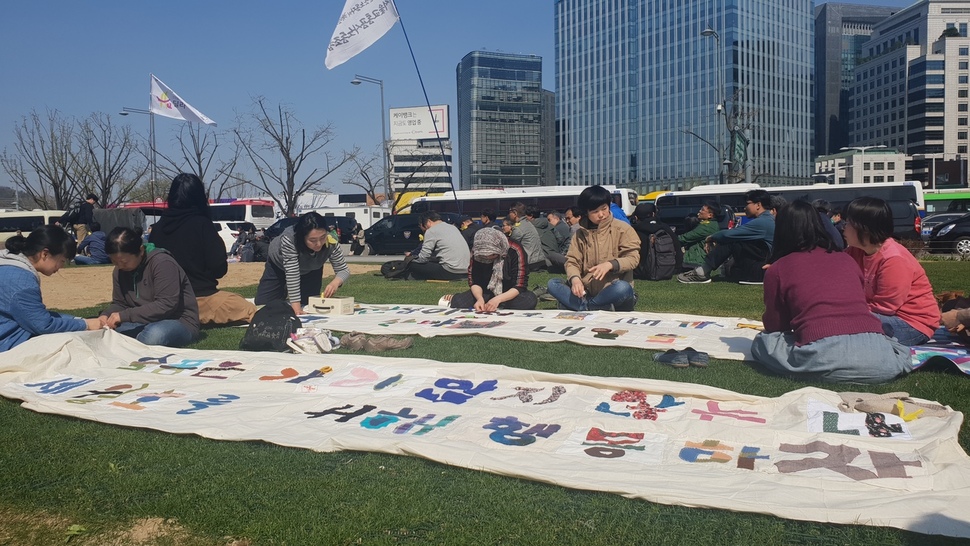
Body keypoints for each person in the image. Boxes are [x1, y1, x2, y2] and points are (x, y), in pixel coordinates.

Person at [750, 200, 911, 383]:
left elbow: (776, 326)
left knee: (764, 342)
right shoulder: (847, 259)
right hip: (880, 356)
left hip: (825, 356)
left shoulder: (778, 269)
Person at [149, 173, 257, 326]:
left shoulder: (157, 229)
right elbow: (218, 268)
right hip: (200, 298)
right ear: (199, 197)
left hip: (161, 302)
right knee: (247, 308)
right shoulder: (202, 224)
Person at [843, 196, 939, 346]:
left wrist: (847, 312)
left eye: (848, 222)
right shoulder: (854, 252)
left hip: (912, 323)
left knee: (846, 326)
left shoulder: (893, 259)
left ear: (864, 228)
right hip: (879, 315)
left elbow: (885, 307)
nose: (844, 227)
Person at [0, 226, 101, 351]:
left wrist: (78, 320)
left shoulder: (7, 264)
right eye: (62, 260)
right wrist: (85, 324)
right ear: (45, 254)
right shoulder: (22, 280)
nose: (61, 267)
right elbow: (43, 325)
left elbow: (35, 315)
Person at [100, 227, 200, 347]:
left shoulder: (163, 263)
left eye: (124, 262)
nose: (120, 266)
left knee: (154, 336)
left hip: (177, 321)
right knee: (105, 330)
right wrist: (105, 316)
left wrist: (124, 316)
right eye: (115, 262)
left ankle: (131, 342)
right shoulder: (119, 271)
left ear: (141, 251)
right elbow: (120, 303)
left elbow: (166, 304)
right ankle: (133, 341)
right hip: (140, 322)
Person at [546, 185, 640, 311]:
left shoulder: (623, 229)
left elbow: (633, 258)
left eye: (604, 209)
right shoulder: (580, 234)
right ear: (586, 213)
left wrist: (610, 265)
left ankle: (583, 306)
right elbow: (572, 261)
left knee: (623, 288)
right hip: (587, 290)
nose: (601, 214)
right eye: (595, 212)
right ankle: (595, 306)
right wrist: (575, 280)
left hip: (612, 289)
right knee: (553, 284)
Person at [255, 211, 351, 316]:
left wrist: (335, 283)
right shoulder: (290, 239)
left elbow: (343, 269)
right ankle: (282, 292)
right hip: (278, 264)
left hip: (311, 268)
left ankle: (290, 295)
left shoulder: (331, 241)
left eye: (322, 237)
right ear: (302, 237)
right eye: (312, 240)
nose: (318, 244)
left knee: (308, 304)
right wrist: (296, 309)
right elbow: (292, 273)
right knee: (264, 305)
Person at [677, 189, 775, 284]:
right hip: (764, 266)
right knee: (733, 263)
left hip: (762, 269)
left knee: (731, 240)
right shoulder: (769, 220)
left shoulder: (763, 222)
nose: (745, 207)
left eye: (747, 203)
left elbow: (730, 234)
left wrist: (711, 237)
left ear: (758, 205)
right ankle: (709, 270)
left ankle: (702, 272)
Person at [448, 228, 537, 311]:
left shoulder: (515, 249)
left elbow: (520, 285)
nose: (487, 259)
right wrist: (479, 299)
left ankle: (497, 303)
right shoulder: (476, 252)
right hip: (486, 291)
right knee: (458, 302)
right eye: (483, 257)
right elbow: (475, 281)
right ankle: (489, 303)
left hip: (509, 292)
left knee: (529, 300)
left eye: (491, 255)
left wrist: (498, 299)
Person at [405, 211, 470, 281]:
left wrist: (412, 259)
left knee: (411, 264)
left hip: (450, 271)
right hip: (466, 270)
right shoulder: (453, 228)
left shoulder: (431, 231)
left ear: (428, 222)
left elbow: (423, 258)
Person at [629, 203, 682, 279]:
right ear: (653, 214)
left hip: (642, 272)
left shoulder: (634, 231)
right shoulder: (665, 228)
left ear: (636, 217)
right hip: (669, 268)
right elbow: (677, 248)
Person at [677, 200, 721, 270]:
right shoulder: (711, 224)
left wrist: (671, 238)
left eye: (702, 210)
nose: (700, 211)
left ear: (710, 215)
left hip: (696, 261)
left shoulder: (706, 227)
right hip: (698, 260)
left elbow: (685, 238)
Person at [507, 202, 545, 271]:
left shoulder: (518, 228)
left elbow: (510, 247)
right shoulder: (528, 223)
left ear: (515, 213)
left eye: (510, 212)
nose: (509, 214)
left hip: (529, 262)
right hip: (539, 260)